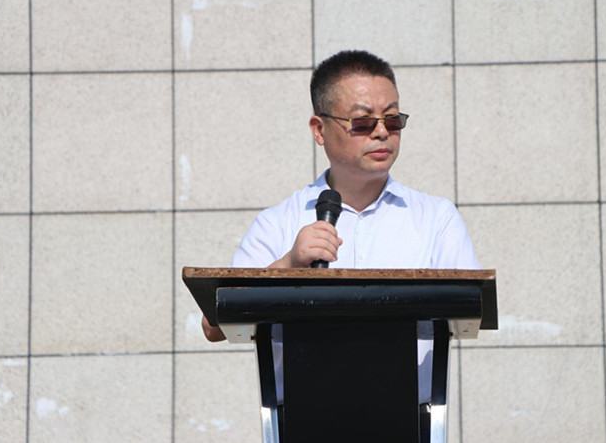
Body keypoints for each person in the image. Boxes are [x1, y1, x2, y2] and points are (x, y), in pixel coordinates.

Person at [201, 50, 480, 404]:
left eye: (393, 120)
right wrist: (288, 266)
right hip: (300, 418)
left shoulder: (436, 218)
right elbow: (213, 326)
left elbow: (472, 307)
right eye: (363, 122)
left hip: (412, 417)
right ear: (319, 130)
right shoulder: (279, 221)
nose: (382, 133)